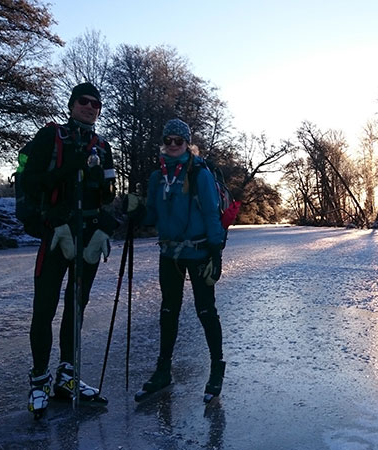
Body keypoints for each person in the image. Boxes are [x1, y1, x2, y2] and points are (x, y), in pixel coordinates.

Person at [21, 82, 116, 416]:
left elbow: (107, 194)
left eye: (96, 104)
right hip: (56, 233)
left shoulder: (103, 147)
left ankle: (67, 376)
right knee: (44, 307)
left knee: (77, 308)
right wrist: (69, 166)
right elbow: (29, 182)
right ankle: (39, 380)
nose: (91, 108)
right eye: (84, 102)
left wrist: (107, 225)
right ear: (72, 104)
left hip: (86, 237)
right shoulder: (51, 137)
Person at [133, 118, 227, 402]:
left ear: (187, 143)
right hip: (169, 253)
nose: (173, 145)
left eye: (179, 141)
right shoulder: (156, 176)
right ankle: (163, 371)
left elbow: (212, 213)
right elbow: (151, 216)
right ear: (163, 142)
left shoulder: (199, 174)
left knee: (205, 310)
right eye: (169, 140)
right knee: (168, 311)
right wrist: (134, 212)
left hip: (198, 251)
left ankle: (216, 369)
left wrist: (215, 251)